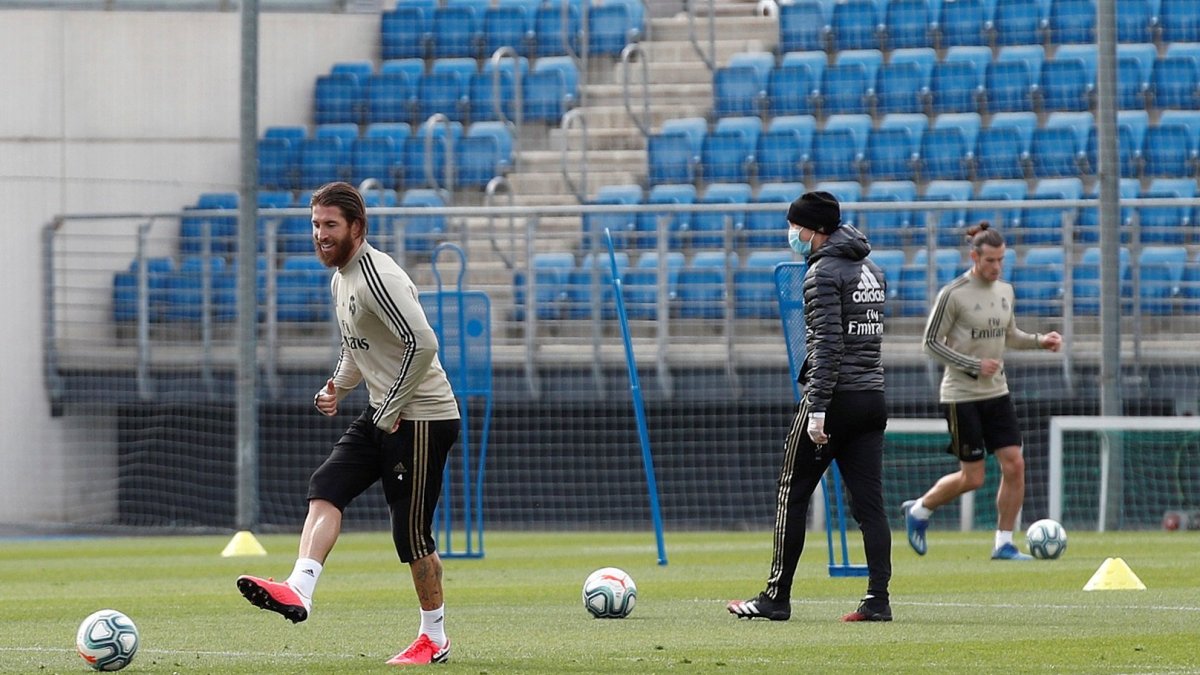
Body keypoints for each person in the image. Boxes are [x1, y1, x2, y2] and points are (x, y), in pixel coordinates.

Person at [236, 181, 461, 666]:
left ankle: (435, 638)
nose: (320, 234)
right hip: (384, 410)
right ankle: (300, 588)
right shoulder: (341, 279)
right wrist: (337, 386)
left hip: (421, 416)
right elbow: (357, 346)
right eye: (315, 225)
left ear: (356, 228)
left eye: (330, 225)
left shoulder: (379, 276)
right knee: (326, 485)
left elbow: (423, 345)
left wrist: (392, 407)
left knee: (411, 535)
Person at [727, 191, 892, 623]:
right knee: (870, 505)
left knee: (792, 492)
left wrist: (817, 408)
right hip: (871, 397)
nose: (791, 234)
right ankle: (878, 599)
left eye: (795, 226)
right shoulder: (871, 268)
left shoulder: (821, 273)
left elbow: (827, 346)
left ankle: (775, 597)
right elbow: (866, 344)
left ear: (814, 231)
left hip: (833, 398)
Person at [902, 222, 1062, 561]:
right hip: (961, 396)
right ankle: (919, 509)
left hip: (997, 392)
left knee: (1015, 464)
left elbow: (1010, 335)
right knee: (973, 477)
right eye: (990, 260)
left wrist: (1039, 342)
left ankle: (1004, 543)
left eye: (1001, 260)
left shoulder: (1005, 290)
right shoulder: (954, 294)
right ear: (974, 256)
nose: (997, 267)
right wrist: (973, 365)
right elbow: (930, 344)